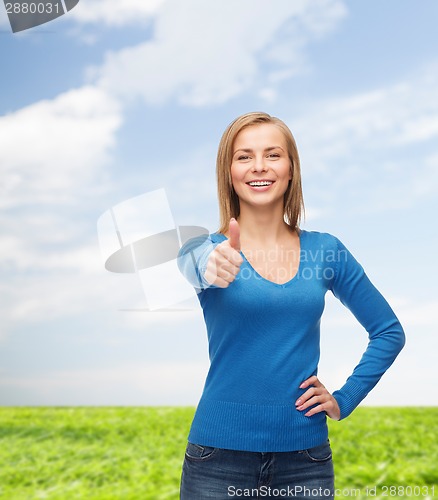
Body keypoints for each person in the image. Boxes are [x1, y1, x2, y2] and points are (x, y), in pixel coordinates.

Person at [177, 112, 405, 499]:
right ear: (228, 171)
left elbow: (388, 332)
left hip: (305, 461)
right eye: (244, 156)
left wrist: (344, 398)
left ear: (290, 169)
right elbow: (194, 265)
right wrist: (212, 265)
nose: (259, 167)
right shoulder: (204, 248)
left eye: (273, 155)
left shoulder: (326, 250)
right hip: (215, 460)